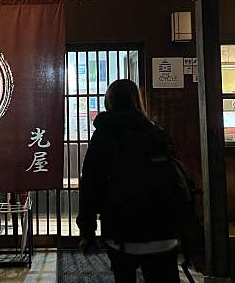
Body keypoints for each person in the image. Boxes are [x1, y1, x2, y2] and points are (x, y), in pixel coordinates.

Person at [77, 79, 193, 283]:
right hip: (163, 231)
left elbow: (90, 184)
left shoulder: (104, 135)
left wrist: (87, 231)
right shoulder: (156, 132)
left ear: (109, 102)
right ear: (137, 101)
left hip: (122, 232)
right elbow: (176, 179)